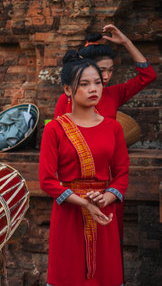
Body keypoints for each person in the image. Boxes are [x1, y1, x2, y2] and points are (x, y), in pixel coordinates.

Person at [40, 50, 129, 285]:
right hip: (69, 214)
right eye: (85, 84)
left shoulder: (113, 128)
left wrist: (106, 198)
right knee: (67, 274)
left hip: (102, 212)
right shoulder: (55, 129)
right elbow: (47, 181)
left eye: (98, 83)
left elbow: (121, 174)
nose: (94, 89)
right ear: (67, 90)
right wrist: (83, 203)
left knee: (106, 275)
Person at [54, 24, 157, 119]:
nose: (107, 76)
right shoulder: (67, 99)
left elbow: (148, 76)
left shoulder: (114, 94)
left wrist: (126, 42)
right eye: (101, 70)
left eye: (110, 70)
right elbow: (58, 134)